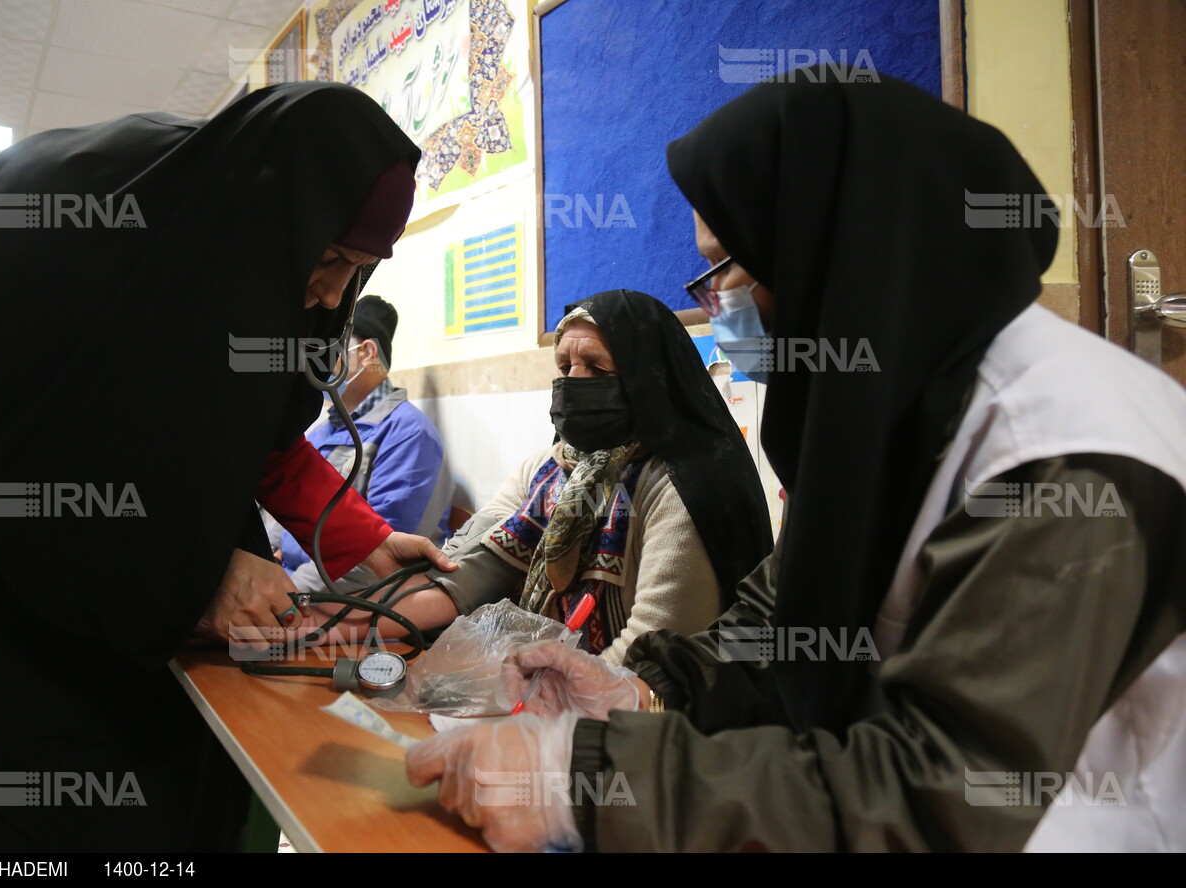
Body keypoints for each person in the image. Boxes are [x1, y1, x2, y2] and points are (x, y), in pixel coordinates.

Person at [404, 71, 1186, 852]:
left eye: (728, 269)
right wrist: (642, 689)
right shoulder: (905, 407)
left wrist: (586, 779)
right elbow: (782, 623)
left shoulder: (1067, 457)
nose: (719, 304)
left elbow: (937, 798)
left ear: (836, 257)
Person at [0, 82, 455, 852]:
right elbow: (10, 476)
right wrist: (196, 578)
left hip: (149, 575)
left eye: (357, 270)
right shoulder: (43, 225)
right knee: (77, 812)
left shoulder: (256, 271)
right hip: (5, 584)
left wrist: (360, 540)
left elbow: (254, 434)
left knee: (195, 780)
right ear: (274, 214)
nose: (330, 292)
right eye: (328, 256)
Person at [312, 290, 773, 666]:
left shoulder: (679, 486)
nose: (573, 380)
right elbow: (471, 568)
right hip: (551, 689)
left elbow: (650, 653)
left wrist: (538, 707)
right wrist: (318, 625)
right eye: (565, 366)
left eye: (595, 367)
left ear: (648, 378)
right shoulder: (549, 470)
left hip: (636, 718)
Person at [270, 294, 454, 596]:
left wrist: (283, 592)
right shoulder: (321, 431)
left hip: (351, 599)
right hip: (295, 584)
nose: (317, 363)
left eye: (327, 350)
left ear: (366, 352)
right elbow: (281, 509)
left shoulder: (409, 434)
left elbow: (376, 557)